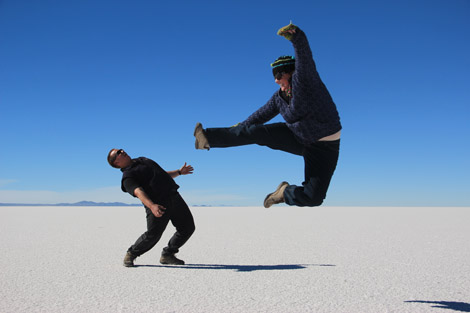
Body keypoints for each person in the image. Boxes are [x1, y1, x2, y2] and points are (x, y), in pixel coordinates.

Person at [194, 23, 342, 208]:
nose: (276, 80)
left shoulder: (305, 81)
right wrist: (238, 128)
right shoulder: (279, 98)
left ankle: (284, 193)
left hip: (324, 147)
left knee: (313, 198)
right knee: (255, 131)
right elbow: (259, 116)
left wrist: (297, 37)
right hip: (298, 138)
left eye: (279, 75)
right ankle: (207, 138)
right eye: (274, 76)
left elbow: (305, 59)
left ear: (291, 72)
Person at [107, 148, 195, 267]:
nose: (122, 152)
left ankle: (168, 254)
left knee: (187, 228)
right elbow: (138, 191)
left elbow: (163, 175)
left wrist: (179, 172)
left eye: (121, 150)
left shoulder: (142, 160)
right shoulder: (128, 176)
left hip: (174, 197)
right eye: (118, 153)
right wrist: (152, 206)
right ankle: (131, 254)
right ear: (116, 163)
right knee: (153, 235)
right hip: (158, 204)